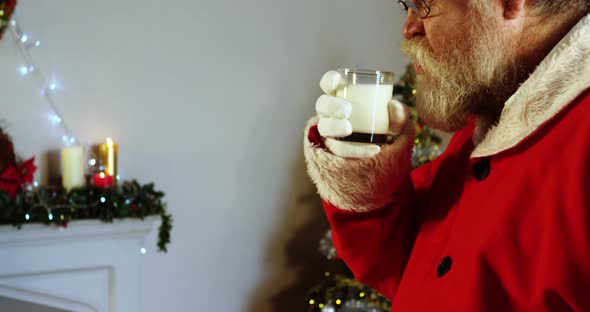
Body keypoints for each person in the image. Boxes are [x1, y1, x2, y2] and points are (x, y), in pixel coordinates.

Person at [303, 0, 590, 310]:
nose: (408, 28)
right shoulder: (489, 119)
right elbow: (419, 277)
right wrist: (365, 181)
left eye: (423, 5)